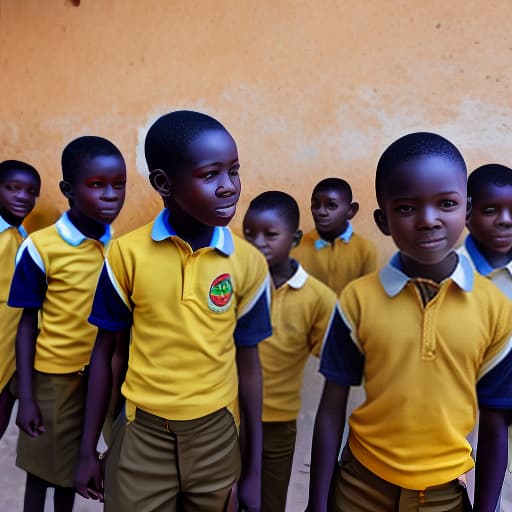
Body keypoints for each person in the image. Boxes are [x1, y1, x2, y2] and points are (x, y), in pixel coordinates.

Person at [74, 110, 272, 512]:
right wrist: (86, 451)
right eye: (210, 174)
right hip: (141, 434)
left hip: (216, 435)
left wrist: (252, 471)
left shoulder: (247, 262)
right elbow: (106, 355)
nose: (229, 188)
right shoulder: (127, 255)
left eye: (234, 171)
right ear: (164, 183)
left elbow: (249, 367)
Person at [307, 132, 512, 512]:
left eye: (446, 203)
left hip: (444, 493)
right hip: (359, 486)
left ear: (466, 211)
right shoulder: (357, 300)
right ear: (383, 221)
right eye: (405, 209)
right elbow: (331, 407)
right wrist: (316, 504)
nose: (428, 220)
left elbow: (496, 422)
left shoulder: (495, 309)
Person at [8, 136, 127, 512]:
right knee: (40, 472)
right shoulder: (42, 247)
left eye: (118, 185)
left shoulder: (121, 251)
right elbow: (26, 324)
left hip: (100, 380)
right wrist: (26, 397)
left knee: (76, 469)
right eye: (96, 186)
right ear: (68, 190)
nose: (111, 196)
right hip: (53, 381)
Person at [243, 191, 340, 512]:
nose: (258, 242)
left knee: (269, 501)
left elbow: (333, 359)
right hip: (226, 415)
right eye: (249, 234)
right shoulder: (231, 283)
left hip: (277, 422)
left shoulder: (318, 299)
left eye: (270, 235)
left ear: (295, 238)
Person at [459, 163, 512, 511]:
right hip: (456, 383)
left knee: (496, 437)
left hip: (504, 385)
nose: (505, 220)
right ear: (467, 213)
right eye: (490, 210)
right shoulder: (451, 268)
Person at [0, 160, 40, 439]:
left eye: (31, 191)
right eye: (12, 188)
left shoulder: (22, 237)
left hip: (14, 353)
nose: (22, 197)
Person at [292, 177, 377, 296]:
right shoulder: (298, 248)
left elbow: (367, 296)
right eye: (315, 205)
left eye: (331, 205)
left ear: (351, 211)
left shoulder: (365, 250)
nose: (321, 212)